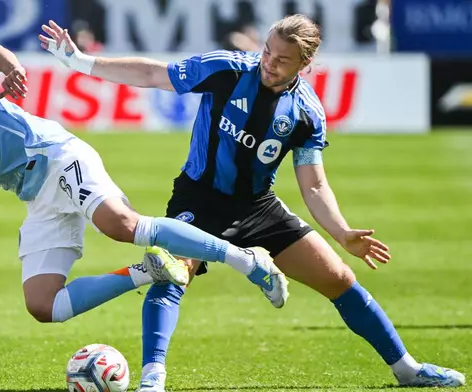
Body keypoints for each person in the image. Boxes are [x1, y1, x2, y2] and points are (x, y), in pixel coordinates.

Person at [39, 15, 466, 390]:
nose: (269, 63)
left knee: (338, 277)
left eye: (282, 60)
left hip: (258, 207)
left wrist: (342, 233)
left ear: (305, 64)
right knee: (171, 273)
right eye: (267, 52)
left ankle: (407, 369)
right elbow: (154, 75)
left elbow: (314, 184)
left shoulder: (306, 115)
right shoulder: (226, 69)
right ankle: (153, 380)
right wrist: (80, 62)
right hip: (198, 200)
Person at [0, 44, 288, 327]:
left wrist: (11, 69)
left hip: (55, 155)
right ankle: (148, 270)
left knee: (120, 224)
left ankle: (246, 260)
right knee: (43, 306)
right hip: (35, 193)